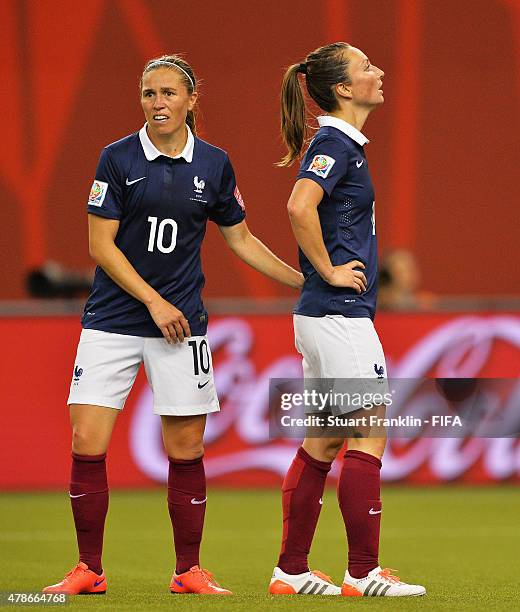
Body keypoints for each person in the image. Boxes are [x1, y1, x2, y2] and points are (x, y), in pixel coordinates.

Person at [43, 54, 303, 596]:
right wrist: (154, 302)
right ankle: (88, 568)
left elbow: (240, 239)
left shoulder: (214, 163)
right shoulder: (116, 158)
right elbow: (100, 246)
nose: (157, 103)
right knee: (86, 441)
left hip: (183, 328)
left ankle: (188, 571)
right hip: (113, 321)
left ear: (190, 100)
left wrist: (304, 280)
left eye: (167, 93)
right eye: (148, 93)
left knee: (186, 451)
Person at [268, 43, 426, 597]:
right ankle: (363, 573)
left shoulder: (344, 145)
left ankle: (290, 571)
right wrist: (330, 269)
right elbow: (298, 205)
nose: (379, 72)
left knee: (324, 440)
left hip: (324, 318)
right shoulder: (335, 144)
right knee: (368, 431)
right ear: (342, 89)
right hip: (339, 314)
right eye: (366, 67)